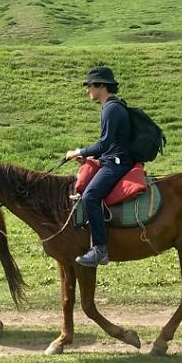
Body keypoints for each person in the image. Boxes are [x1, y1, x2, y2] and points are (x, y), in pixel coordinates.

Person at [64, 66, 134, 267]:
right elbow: (109, 144)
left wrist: (79, 151)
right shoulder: (112, 107)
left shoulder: (111, 109)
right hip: (111, 158)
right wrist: (89, 156)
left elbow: (104, 144)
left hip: (116, 162)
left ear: (101, 85)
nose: (88, 90)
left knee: (90, 197)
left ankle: (100, 249)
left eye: (90, 86)